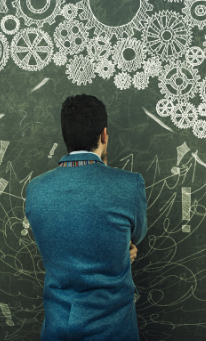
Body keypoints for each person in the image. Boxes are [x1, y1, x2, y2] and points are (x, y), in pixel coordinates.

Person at [26, 94, 148, 341]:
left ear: (66, 136)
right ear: (104, 135)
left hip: (56, 329)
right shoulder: (129, 185)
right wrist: (120, 251)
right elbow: (135, 236)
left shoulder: (36, 189)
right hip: (113, 331)